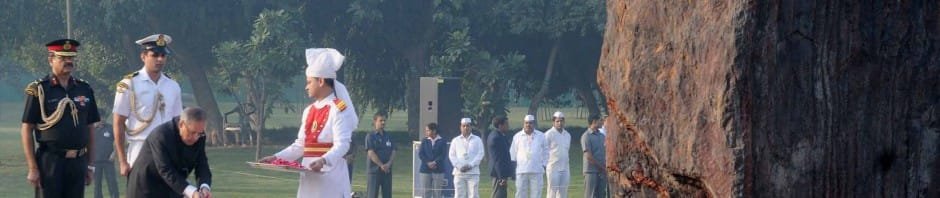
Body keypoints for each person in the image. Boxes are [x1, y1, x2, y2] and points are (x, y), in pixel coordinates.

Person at [259, 48, 358, 198]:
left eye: (309, 82)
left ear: (321, 81)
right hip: (309, 176)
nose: (306, 87)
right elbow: (300, 145)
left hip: (331, 177)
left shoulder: (338, 109)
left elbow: (343, 144)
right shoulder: (309, 110)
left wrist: (324, 160)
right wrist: (276, 158)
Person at [21, 39, 101, 198]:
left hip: (78, 162)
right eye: (63, 57)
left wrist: (91, 165)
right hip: (51, 161)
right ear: (51, 60)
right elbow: (27, 128)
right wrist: (33, 168)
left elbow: (90, 127)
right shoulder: (39, 90)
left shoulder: (84, 89)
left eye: (71, 57)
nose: (68, 61)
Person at [112, 34, 184, 176]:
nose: (160, 59)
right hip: (140, 147)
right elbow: (118, 122)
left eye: (163, 55)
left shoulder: (173, 86)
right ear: (143, 56)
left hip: (168, 149)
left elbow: (179, 122)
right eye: (155, 55)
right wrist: (122, 161)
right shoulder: (128, 84)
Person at [126, 108, 211, 198]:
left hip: (173, 187)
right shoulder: (160, 135)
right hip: (146, 188)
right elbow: (165, 169)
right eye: (192, 132)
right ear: (181, 124)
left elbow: (202, 163)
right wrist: (192, 192)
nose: (195, 138)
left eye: (199, 133)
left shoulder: (200, 135)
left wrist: (204, 187)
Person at [510, 115, 547, 198]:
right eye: (526, 123)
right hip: (521, 170)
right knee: (520, 194)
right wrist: (513, 169)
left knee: (536, 194)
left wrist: (544, 164)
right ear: (523, 123)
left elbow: (546, 151)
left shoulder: (541, 136)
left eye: (530, 123)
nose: (528, 125)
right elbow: (512, 154)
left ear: (534, 124)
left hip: (537, 170)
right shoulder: (517, 136)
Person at [448, 118, 484, 198]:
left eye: (468, 126)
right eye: (463, 126)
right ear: (460, 127)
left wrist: (471, 165)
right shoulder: (455, 140)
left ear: (471, 127)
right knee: (459, 195)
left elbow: (480, 154)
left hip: (473, 172)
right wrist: (459, 166)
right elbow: (451, 155)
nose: (465, 128)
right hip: (459, 173)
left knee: (473, 195)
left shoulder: (477, 139)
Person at [365, 114, 395, 198]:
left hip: (387, 171)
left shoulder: (389, 136)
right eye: (381, 120)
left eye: (384, 121)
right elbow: (371, 152)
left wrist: (388, 164)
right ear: (375, 121)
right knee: (372, 195)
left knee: (387, 195)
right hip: (374, 171)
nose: (383, 122)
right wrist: (381, 165)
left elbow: (393, 151)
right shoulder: (370, 136)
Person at [545, 111, 571, 198]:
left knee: (563, 193)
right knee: (552, 192)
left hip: (565, 168)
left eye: (561, 121)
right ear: (553, 122)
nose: (560, 123)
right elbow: (543, 151)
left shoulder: (567, 135)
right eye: (557, 121)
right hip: (553, 168)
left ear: (564, 122)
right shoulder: (548, 134)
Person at [486, 116, 513, 198]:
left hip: (499, 172)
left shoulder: (498, 135)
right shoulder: (496, 138)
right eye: (506, 124)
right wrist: (502, 177)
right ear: (500, 125)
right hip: (498, 173)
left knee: (501, 194)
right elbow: (498, 159)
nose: (508, 126)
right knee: (498, 195)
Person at [419, 123, 447, 198]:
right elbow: (421, 154)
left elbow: (443, 154)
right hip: (425, 169)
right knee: (425, 192)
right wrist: (428, 163)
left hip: (438, 170)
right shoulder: (424, 140)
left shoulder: (442, 141)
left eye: (428, 130)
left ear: (434, 131)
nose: (426, 132)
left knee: (437, 192)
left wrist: (434, 162)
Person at [582, 115, 607, 198]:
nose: (602, 122)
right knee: (590, 195)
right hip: (591, 171)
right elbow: (588, 156)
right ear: (594, 121)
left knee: (601, 195)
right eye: (600, 120)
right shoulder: (586, 136)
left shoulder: (602, 136)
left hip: (602, 171)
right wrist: (601, 167)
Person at [93, 121, 119, 198]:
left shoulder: (110, 128)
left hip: (109, 160)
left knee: (112, 182)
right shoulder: (91, 129)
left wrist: (114, 153)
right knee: (97, 184)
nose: (101, 120)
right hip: (95, 161)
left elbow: (119, 141)